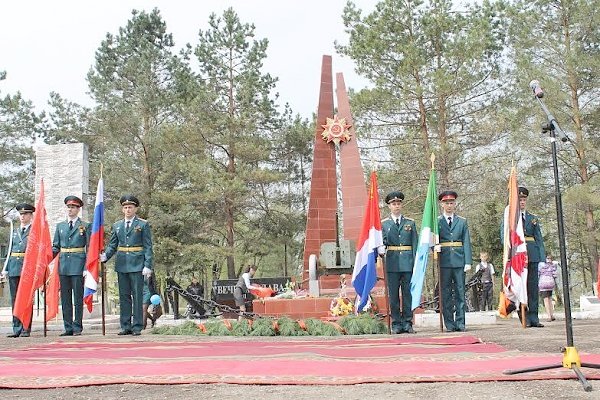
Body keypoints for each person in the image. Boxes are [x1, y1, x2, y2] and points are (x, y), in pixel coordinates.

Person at [101, 195, 153, 336]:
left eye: (130, 207)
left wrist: (147, 265)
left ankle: (137, 326)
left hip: (137, 264)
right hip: (122, 264)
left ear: (135, 208)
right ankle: (125, 326)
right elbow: (113, 245)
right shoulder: (117, 226)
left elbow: (148, 246)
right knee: (124, 296)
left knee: (137, 296)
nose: (128, 210)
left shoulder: (142, 224)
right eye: (125, 207)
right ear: (122, 209)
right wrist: (105, 255)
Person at [52, 196, 91, 336]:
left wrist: (87, 267)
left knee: (78, 298)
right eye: (68, 207)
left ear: (78, 209)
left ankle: (77, 326)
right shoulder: (60, 226)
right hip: (64, 266)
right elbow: (55, 246)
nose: (70, 209)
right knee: (66, 298)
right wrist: (45, 259)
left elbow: (90, 247)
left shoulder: (85, 226)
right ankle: (67, 327)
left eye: (73, 207)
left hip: (78, 265)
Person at [381, 191, 418, 334]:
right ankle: (396, 323)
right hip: (392, 263)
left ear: (401, 205)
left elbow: (415, 244)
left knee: (408, 294)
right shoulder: (384, 224)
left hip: (408, 263)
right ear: (389, 206)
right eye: (393, 204)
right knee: (394, 295)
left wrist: (416, 263)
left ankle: (408, 322)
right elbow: (382, 243)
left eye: (398, 203)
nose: (396, 206)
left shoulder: (410, 223)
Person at [437, 190, 472, 332]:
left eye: (451, 203)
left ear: (455, 204)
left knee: (460, 292)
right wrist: (435, 247)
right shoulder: (437, 221)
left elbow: (466, 241)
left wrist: (468, 261)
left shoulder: (462, 221)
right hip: (444, 261)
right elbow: (432, 239)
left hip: (459, 261)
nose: (449, 205)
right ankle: (449, 323)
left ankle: (460, 322)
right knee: (445, 293)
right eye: (446, 203)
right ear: (442, 204)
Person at [1, 203, 35, 338]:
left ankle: (26, 327)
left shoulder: (34, 231)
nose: (23, 216)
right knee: (15, 299)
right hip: (14, 267)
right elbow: (9, 251)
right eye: (21, 214)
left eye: (26, 214)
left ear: (31, 216)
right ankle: (16, 328)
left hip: (27, 268)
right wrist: (6, 268)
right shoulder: (14, 231)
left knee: (26, 299)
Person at [518, 187, 546, 328]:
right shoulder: (512, 218)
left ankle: (534, 317)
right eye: (520, 200)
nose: (522, 202)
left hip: (533, 254)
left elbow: (539, 239)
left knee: (533, 288)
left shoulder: (532, 218)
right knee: (521, 287)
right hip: (518, 256)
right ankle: (524, 317)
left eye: (524, 200)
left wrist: (542, 258)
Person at [539, 255, 558, 322]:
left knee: (546, 300)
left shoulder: (540, 265)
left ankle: (549, 316)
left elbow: (538, 273)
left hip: (543, 283)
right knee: (550, 299)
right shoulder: (553, 265)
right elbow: (555, 275)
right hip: (551, 283)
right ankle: (552, 314)